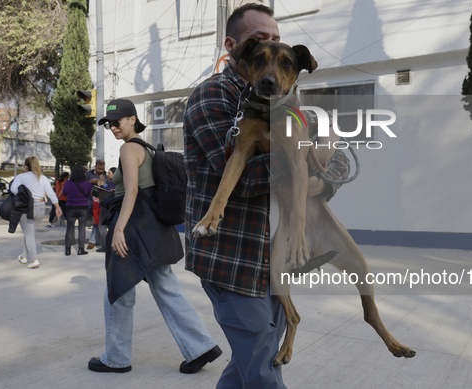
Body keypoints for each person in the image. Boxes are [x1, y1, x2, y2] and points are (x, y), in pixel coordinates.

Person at [183, 4, 349, 388]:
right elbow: (242, 177)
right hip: (233, 258)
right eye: (259, 45)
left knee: (247, 366)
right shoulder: (213, 96)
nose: (271, 60)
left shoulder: (284, 102)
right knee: (262, 371)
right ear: (234, 47)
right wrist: (308, 163)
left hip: (272, 257)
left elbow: (334, 160)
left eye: (277, 42)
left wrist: (320, 172)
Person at [88, 99, 221, 374]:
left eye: (118, 121)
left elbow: (133, 191)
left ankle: (116, 357)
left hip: (134, 229)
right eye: (109, 124)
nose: (113, 127)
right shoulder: (147, 149)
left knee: (118, 291)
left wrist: (120, 229)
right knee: (167, 288)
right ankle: (201, 347)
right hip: (154, 229)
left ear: (132, 119)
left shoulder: (128, 148)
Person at [11, 156, 62, 269]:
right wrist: (57, 207)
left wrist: (25, 194)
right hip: (40, 207)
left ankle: (34, 259)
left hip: (27, 207)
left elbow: (13, 190)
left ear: (25, 166)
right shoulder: (43, 178)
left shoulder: (21, 177)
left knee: (29, 234)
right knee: (30, 233)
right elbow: (51, 194)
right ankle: (24, 256)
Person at [62, 166, 93, 256]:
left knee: (70, 229)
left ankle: (67, 250)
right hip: (83, 208)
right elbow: (90, 194)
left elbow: (64, 193)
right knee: (81, 229)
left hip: (70, 208)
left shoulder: (67, 183)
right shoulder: (87, 184)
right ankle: (81, 249)